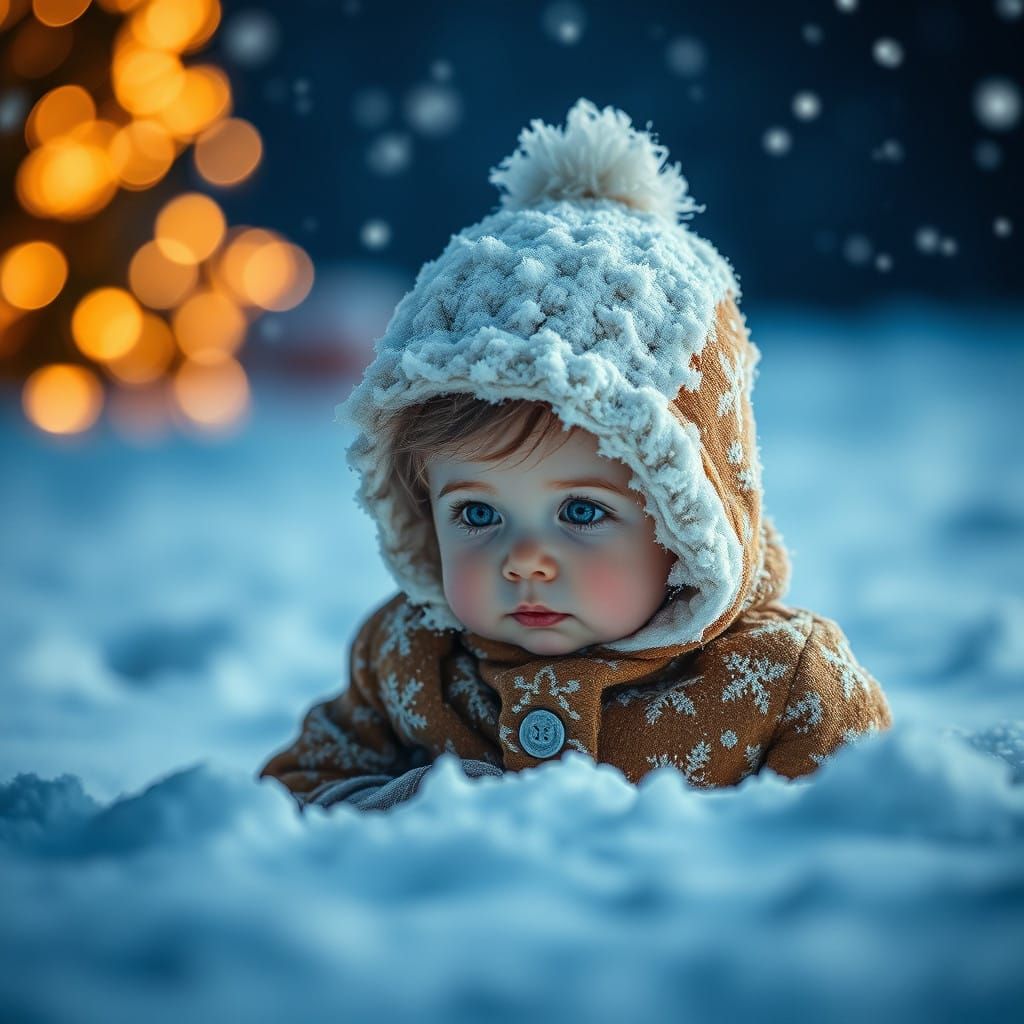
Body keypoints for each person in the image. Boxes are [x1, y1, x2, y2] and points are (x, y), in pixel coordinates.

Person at [257, 98, 893, 813]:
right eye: (476, 513)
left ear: (689, 524)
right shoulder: (408, 660)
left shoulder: (782, 684)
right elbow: (282, 808)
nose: (524, 560)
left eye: (581, 511)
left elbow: (872, 829)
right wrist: (414, 809)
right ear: (420, 507)